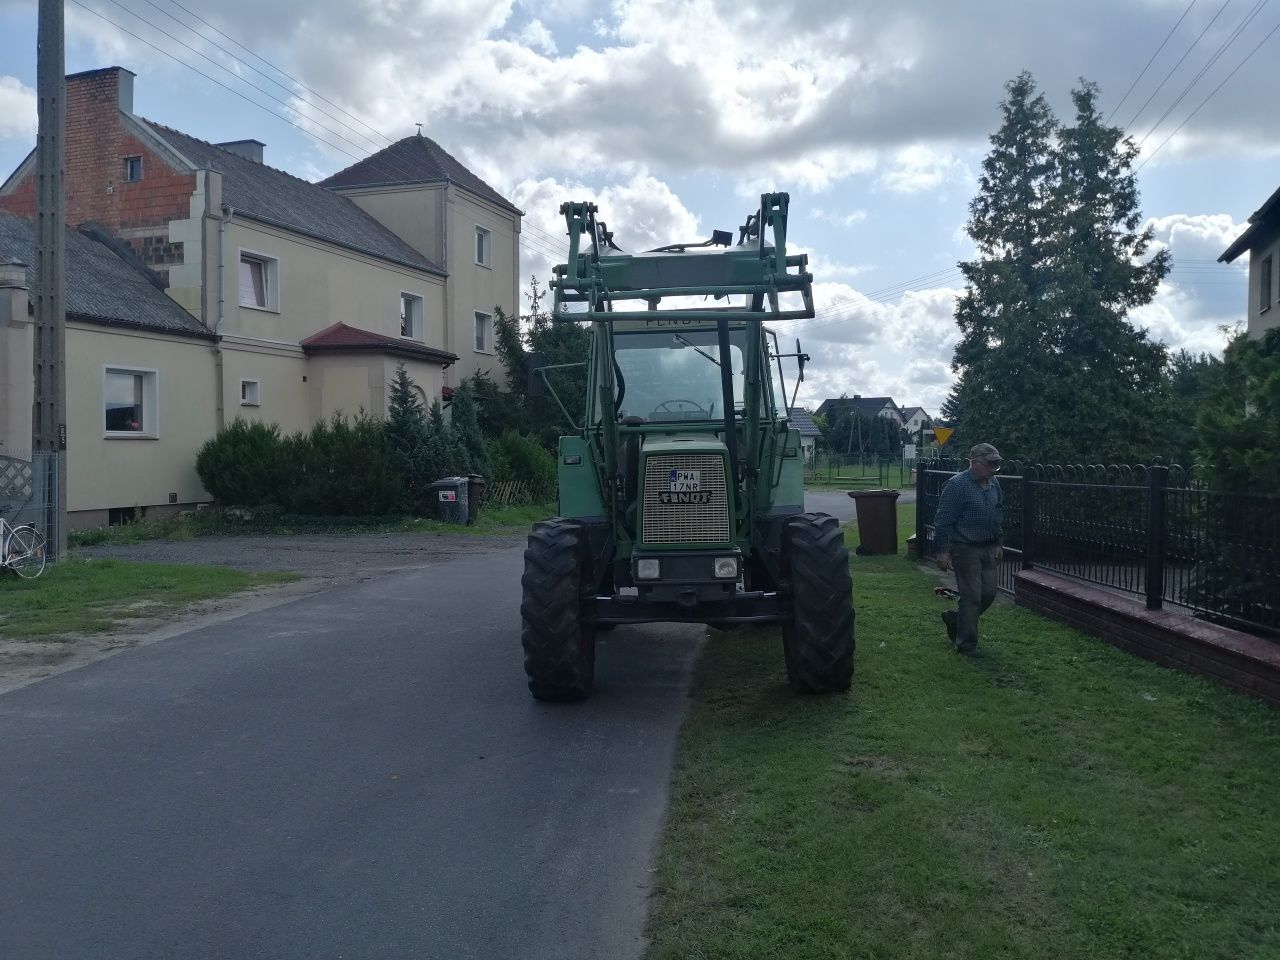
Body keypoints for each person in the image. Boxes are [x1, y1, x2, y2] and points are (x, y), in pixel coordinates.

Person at [933, 442, 1005, 653]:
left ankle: (957, 619)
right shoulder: (957, 485)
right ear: (974, 463)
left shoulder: (994, 483)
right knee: (972, 596)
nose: (994, 469)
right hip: (964, 548)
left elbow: (998, 514)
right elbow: (943, 520)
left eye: (997, 464)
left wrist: (999, 542)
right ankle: (966, 644)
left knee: (989, 593)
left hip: (988, 547)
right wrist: (943, 551)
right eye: (991, 464)